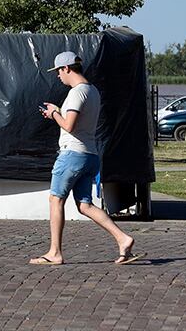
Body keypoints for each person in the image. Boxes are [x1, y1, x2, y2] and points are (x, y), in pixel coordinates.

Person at [29, 51, 142, 266]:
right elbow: (79, 122)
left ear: (67, 68)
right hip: (90, 155)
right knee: (85, 205)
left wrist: (54, 113)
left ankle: (55, 252)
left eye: (59, 72)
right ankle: (123, 238)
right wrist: (59, 112)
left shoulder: (76, 93)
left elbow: (69, 126)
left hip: (72, 154)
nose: (58, 77)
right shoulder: (93, 92)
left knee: (56, 199)